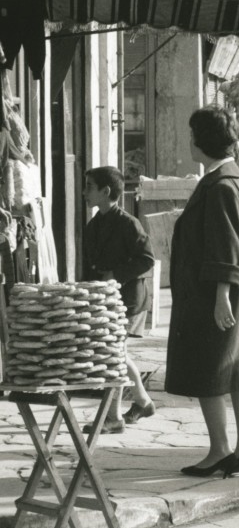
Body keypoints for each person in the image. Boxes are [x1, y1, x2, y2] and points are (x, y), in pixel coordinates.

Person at [166, 107, 239, 477]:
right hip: (231, 288)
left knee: (207, 365)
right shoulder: (228, 179)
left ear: (202, 141)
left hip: (215, 292)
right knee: (236, 364)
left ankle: (221, 449)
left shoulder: (220, 185)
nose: (189, 141)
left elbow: (224, 245)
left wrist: (221, 295)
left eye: (192, 135)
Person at [82, 166, 155, 432]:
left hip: (128, 299)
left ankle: (112, 418)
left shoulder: (128, 224)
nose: (84, 193)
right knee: (118, 354)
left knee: (113, 355)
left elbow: (147, 259)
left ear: (106, 191)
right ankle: (142, 401)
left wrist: (117, 274)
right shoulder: (93, 226)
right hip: (105, 300)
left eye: (89, 187)